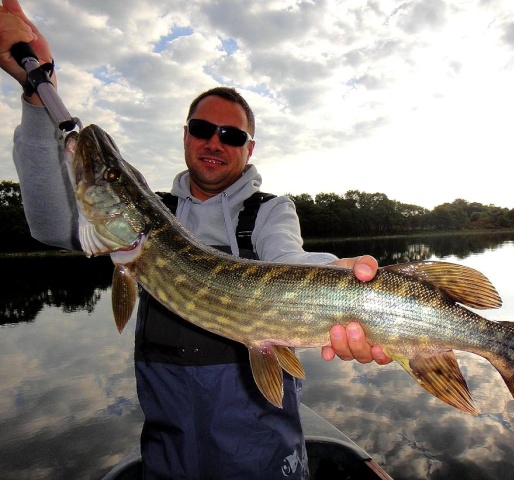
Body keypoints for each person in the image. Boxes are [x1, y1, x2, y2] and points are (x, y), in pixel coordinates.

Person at [0, 1, 392, 478]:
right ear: (186, 136)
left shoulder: (268, 212)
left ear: (249, 149)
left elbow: (289, 257)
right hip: (172, 454)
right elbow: (47, 223)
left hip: (264, 454)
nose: (215, 142)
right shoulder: (152, 217)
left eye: (231, 135)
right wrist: (38, 94)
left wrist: (334, 278)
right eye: (204, 130)